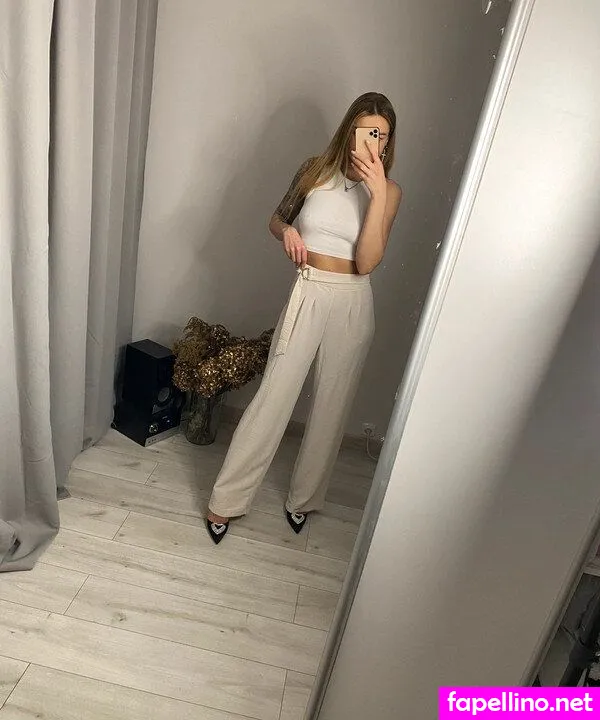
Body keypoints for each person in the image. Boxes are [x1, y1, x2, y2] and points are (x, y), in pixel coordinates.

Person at [206, 91, 402, 544]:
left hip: (353, 299)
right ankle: (226, 500)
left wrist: (376, 195)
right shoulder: (314, 170)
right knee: (274, 395)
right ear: (349, 130)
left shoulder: (390, 193)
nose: (375, 143)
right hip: (310, 288)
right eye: (367, 131)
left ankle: (304, 499)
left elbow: (368, 261)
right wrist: (289, 232)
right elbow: (276, 219)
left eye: (384, 136)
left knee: (333, 404)